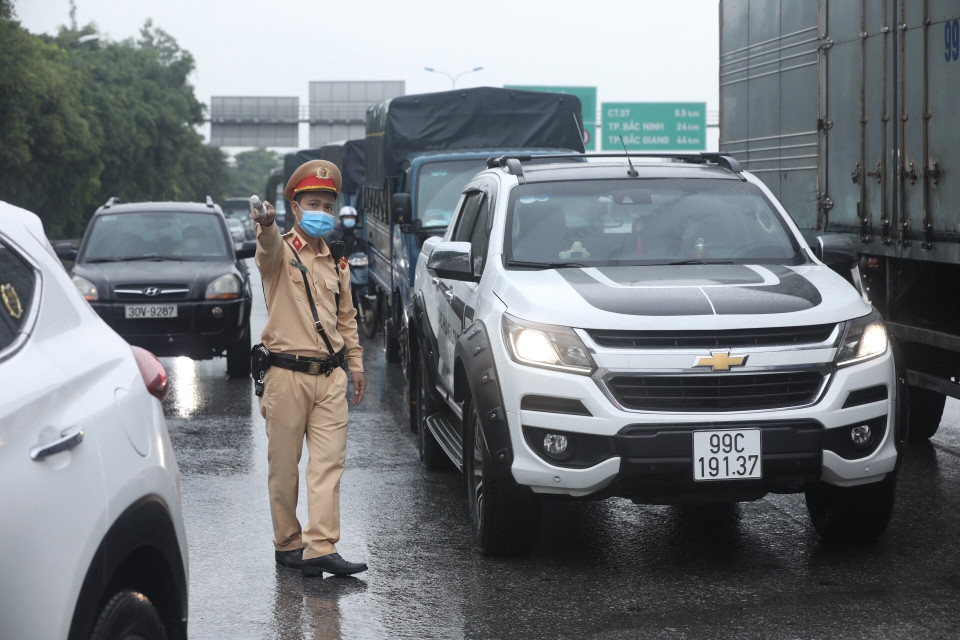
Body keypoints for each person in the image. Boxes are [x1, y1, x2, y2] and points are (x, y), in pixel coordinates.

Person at [250, 159, 368, 577]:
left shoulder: (337, 262)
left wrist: (355, 365)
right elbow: (266, 248)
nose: (322, 211)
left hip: (330, 378)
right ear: (295, 209)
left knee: (328, 464)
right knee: (284, 466)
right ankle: (288, 543)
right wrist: (265, 225)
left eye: (328, 205)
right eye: (313, 203)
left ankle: (321, 547)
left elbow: (346, 318)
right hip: (285, 377)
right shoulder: (280, 253)